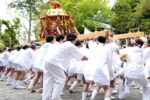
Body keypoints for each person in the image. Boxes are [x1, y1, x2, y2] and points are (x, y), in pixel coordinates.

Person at [42, 33, 88, 100]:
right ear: (74, 40)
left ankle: (45, 98)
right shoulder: (70, 46)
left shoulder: (63, 44)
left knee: (48, 80)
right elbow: (82, 57)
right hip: (55, 63)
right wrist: (91, 59)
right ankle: (55, 98)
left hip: (47, 61)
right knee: (60, 80)